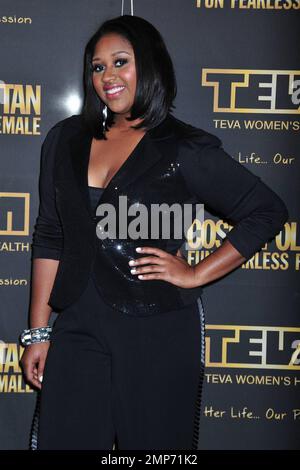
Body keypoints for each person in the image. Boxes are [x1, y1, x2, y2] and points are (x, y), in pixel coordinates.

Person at [20, 15, 289, 450]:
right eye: (97, 66)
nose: (108, 76)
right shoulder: (64, 139)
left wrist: (197, 273)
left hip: (158, 328)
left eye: (120, 62)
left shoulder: (183, 147)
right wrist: (38, 332)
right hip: (78, 325)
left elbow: (266, 211)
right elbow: (50, 235)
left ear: (149, 65)